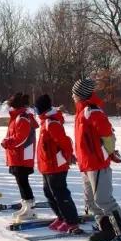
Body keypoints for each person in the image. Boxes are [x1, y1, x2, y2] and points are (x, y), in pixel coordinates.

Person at [72, 78, 121, 241]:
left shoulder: (92, 111)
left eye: (74, 93)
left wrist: (111, 152)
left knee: (104, 199)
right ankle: (106, 230)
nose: (72, 95)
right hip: (85, 163)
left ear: (80, 94)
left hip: (97, 162)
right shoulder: (81, 112)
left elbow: (106, 133)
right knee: (91, 202)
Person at [35, 94, 83, 233]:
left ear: (41, 109)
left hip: (56, 165)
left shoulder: (51, 123)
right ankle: (61, 217)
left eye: (37, 108)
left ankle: (71, 221)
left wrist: (68, 156)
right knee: (49, 193)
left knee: (60, 193)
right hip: (47, 165)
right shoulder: (45, 122)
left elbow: (65, 142)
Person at [1, 93, 39, 222]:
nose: (10, 109)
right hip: (18, 155)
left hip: (21, 156)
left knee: (23, 182)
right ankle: (26, 206)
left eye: (11, 106)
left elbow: (20, 139)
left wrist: (7, 142)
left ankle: (30, 208)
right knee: (21, 181)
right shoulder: (18, 117)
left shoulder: (21, 118)